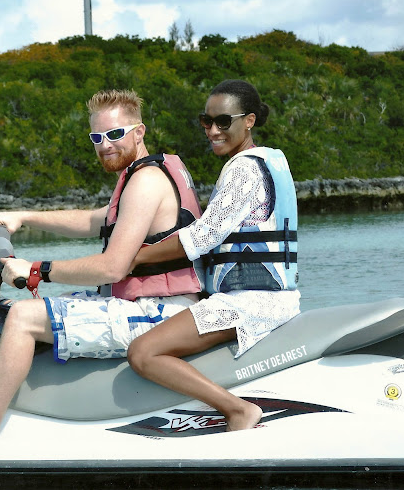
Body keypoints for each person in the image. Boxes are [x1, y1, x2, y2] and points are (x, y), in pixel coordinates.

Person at [0, 89, 203, 438]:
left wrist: (37, 270)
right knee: (20, 309)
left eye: (114, 134)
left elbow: (112, 268)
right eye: (96, 137)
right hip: (150, 304)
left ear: (139, 132)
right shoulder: (145, 173)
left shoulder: (146, 181)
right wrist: (24, 216)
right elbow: (95, 220)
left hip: (159, 312)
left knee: (23, 317)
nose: (104, 145)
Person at [126, 79, 301, 432]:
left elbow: (202, 237)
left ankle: (238, 410)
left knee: (142, 352)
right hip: (271, 297)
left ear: (249, 121)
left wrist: (135, 258)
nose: (212, 130)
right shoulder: (267, 161)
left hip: (250, 301)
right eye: (206, 121)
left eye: (223, 121)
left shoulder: (244, 169)